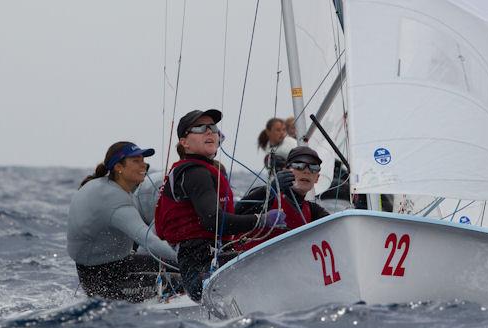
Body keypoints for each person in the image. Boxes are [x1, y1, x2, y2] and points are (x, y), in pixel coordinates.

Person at [155, 109, 285, 302]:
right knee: (276, 267)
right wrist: (262, 220)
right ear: (184, 142)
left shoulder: (200, 171)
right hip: (200, 266)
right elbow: (213, 221)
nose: (209, 132)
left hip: (208, 258)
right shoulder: (195, 173)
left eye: (212, 127)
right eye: (200, 128)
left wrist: (269, 190)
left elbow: (231, 214)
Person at [67, 142, 178, 302]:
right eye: (136, 161)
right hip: (109, 280)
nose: (144, 165)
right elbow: (150, 242)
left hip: (94, 273)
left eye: (143, 160)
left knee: (169, 265)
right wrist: (184, 261)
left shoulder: (101, 185)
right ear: (119, 167)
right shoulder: (115, 200)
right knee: (184, 280)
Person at [235, 146, 330, 250]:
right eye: (299, 165)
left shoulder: (313, 211)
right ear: (286, 171)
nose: (306, 171)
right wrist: (270, 190)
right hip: (246, 262)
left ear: (317, 178)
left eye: (313, 167)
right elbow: (234, 213)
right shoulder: (267, 195)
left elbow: (336, 227)